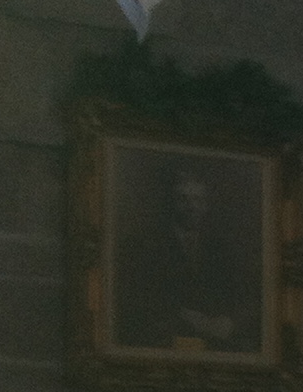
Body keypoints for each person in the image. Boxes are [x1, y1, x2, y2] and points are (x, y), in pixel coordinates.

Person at [112, 150, 265, 354]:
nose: (192, 206)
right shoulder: (145, 244)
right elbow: (135, 299)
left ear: (206, 205)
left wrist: (230, 321)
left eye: (198, 199)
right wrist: (181, 316)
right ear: (171, 203)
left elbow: (244, 296)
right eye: (183, 199)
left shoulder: (221, 249)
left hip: (216, 348)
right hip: (161, 345)